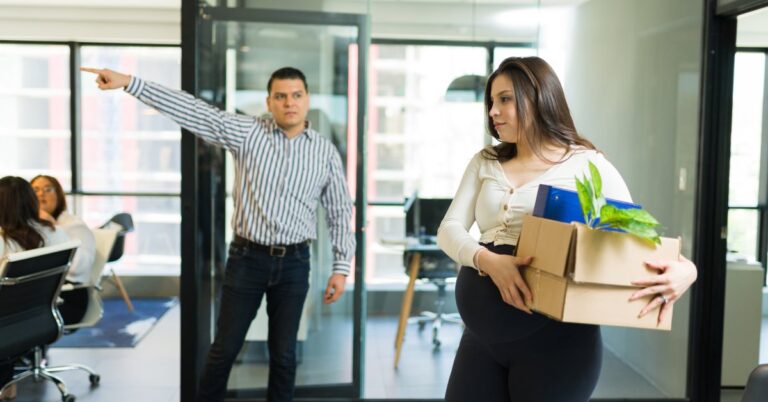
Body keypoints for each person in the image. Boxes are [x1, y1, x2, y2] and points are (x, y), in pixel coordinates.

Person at [81, 65, 355, 402]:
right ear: (269, 102)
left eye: (296, 95)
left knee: (284, 356)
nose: (289, 103)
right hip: (247, 260)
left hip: (296, 263)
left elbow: (340, 210)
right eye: (280, 96)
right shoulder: (248, 132)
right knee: (224, 350)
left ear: (307, 99)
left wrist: (342, 268)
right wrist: (130, 84)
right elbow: (193, 110)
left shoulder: (324, 151)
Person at [436, 56, 697, 402]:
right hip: (481, 340)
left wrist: (688, 269)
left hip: (556, 347)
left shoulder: (588, 164)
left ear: (538, 98)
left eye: (505, 100)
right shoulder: (486, 161)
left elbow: (639, 237)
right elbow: (449, 228)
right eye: (491, 103)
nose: (493, 113)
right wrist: (487, 260)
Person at [0, 176, 71, 400]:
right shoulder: (56, 233)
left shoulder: (3, 240)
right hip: (40, 319)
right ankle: (7, 381)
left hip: (6, 324)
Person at [30, 174, 96, 325]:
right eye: (35, 190)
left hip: (68, 297)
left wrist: (55, 229)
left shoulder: (74, 226)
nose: (41, 194)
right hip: (40, 296)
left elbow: (78, 268)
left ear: (59, 195)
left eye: (48, 189)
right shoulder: (28, 228)